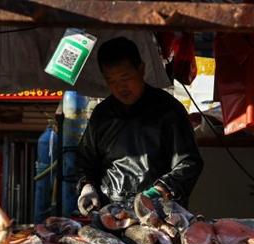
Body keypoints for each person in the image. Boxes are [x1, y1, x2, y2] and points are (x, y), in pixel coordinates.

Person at [75, 36, 204, 214]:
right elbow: (85, 160)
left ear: (141, 69)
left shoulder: (169, 110)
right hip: (110, 211)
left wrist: (159, 191)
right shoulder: (102, 114)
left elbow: (189, 163)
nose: (121, 87)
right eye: (112, 81)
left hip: (158, 211)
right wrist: (86, 186)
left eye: (125, 77)